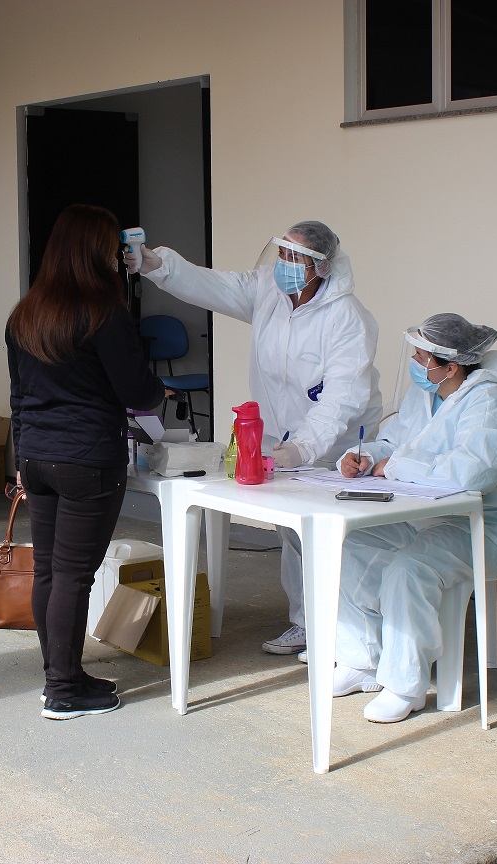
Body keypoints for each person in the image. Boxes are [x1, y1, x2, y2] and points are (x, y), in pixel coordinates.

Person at [128, 221, 381, 655]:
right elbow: (212, 285)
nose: (285, 265)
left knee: (339, 540)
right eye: (282, 253)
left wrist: (304, 446)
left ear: (322, 266)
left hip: (336, 445)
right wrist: (158, 265)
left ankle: (353, 635)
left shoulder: (347, 319)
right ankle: (306, 623)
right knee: (293, 533)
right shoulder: (268, 290)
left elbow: (341, 399)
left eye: (296, 258)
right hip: (283, 440)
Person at [331, 313, 497, 723]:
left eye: (422, 358)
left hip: (487, 527)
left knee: (408, 569)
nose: (415, 365)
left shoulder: (490, 405)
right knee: (353, 542)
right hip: (432, 517)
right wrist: (368, 457)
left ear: (451, 366)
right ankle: (362, 659)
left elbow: (469, 475)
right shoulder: (426, 394)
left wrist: (391, 468)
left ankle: (405, 685)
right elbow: (398, 442)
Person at [7, 203, 169, 721]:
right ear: (99, 253)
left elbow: (18, 395)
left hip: (36, 456)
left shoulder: (25, 313)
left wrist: (20, 458)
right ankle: (64, 690)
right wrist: (157, 387)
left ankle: (62, 675)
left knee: (52, 573)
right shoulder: (103, 313)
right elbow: (139, 393)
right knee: (74, 575)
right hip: (85, 461)